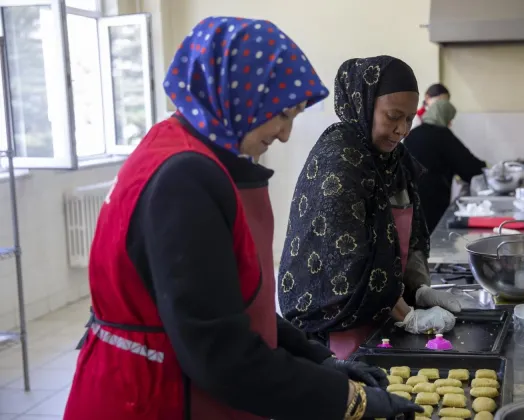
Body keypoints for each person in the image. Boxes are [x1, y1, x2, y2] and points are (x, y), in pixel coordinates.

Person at [63, 18, 422, 420]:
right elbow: (222, 354)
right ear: (239, 95)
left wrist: (319, 359)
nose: (285, 134)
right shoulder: (184, 178)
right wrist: (349, 400)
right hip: (151, 397)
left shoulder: (182, 148)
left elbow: (230, 305)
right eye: (282, 114)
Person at [278, 56, 462, 360]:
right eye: (392, 116)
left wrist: (419, 289)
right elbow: (346, 262)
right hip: (340, 322)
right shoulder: (339, 161)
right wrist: (407, 315)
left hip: (386, 313)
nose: (402, 129)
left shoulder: (394, 160)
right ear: (362, 104)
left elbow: (410, 235)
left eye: (409, 118)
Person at [403, 98, 485, 232]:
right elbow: (468, 166)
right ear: (443, 115)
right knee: (434, 240)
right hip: (433, 200)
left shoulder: (413, 134)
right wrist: (485, 168)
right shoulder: (442, 135)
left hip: (409, 199)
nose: (450, 123)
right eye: (450, 119)